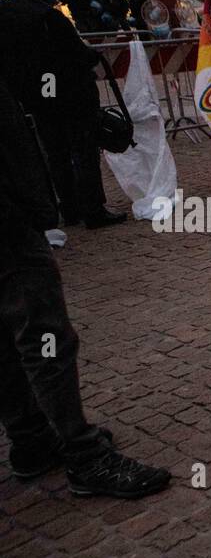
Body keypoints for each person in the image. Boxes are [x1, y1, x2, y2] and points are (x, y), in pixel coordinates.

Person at [0, 78, 171, 498]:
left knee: (6, 336)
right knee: (43, 334)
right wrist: (32, 206)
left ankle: (32, 438)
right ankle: (82, 452)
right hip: (6, 221)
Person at [0, 0, 124, 229]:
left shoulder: (4, 12)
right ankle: (92, 208)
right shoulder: (47, 17)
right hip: (66, 95)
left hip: (33, 95)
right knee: (83, 151)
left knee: (55, 154)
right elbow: (77, 54)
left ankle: (69, 207)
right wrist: (93, 56)